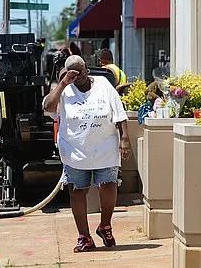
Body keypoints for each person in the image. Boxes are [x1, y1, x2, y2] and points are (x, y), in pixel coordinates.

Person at [43, 55, 131, 253]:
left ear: (87, 69)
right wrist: (64, 83)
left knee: (109, 186)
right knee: (77, 191)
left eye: (80, 71)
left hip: (105, 149)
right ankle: (85, 237)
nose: (78, 76)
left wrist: (125, 139)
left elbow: (119, 112)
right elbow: (48, 107)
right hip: (75, 152)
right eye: (73, 72)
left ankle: (105, 226)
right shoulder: (63, 90)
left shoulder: (103, 84)